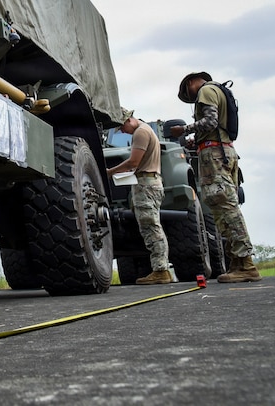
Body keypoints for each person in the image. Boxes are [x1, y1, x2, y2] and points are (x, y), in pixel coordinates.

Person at [169, 71, 261, 283]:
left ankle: (246, 263)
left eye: (188, 93)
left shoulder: (206, 90)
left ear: (191, 82)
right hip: (219, 150)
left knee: (226, 206)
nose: (193, 99)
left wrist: (184, 129)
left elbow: (210, 121)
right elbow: (214, 127)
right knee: (220, 207)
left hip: (216, 154)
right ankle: (237, 262)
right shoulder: (217, 90)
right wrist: (196, 140)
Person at [107, 109, 171, 285]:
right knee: (151, 225)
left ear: (128, 119)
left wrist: (110, 172)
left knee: (151, 227)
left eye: (121, 126)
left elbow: (134, 162)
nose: (122, 131)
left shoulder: (141, 132)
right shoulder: (145, 130)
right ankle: (160, 268)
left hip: (146, 185)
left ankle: (161, 270)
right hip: (149, 183)